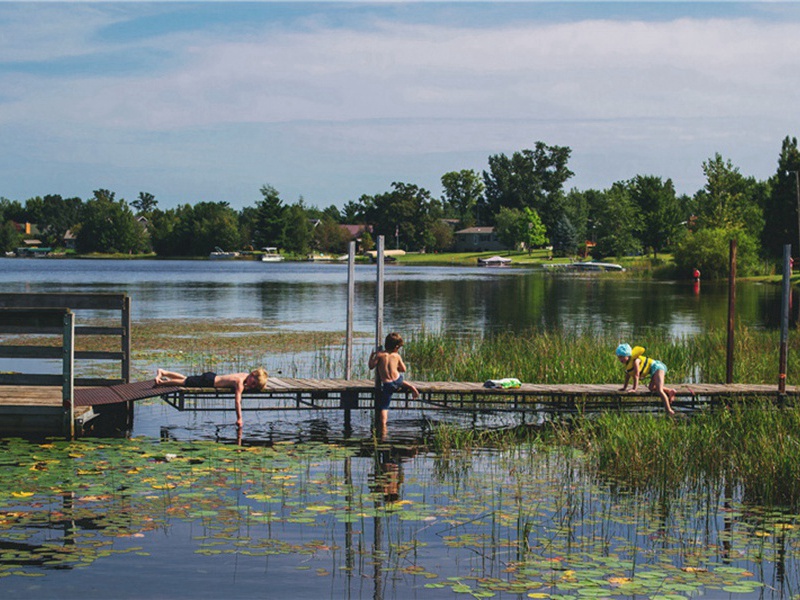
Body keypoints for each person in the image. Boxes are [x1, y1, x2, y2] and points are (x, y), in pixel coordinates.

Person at [155, 368, 268, 427]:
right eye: (253, 383)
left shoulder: (244, 375)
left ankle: (164, 372)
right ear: (252, 374)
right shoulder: (239, 382)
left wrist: (256, 385)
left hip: (212, 377)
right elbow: (238, 401)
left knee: (187, 379)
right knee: (184, 383)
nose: (252, 386)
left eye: (255, 386)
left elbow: (248, 383)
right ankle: (161, 382)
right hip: (208, 382)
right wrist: (239, 418)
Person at [368, 332, 419, 434]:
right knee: (399, 380)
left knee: (384, 407)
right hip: (397, 381)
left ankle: (383, 426)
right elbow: (403, 369)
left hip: (388, 384)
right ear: (396, 347)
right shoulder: (397, 356)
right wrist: (395, 367)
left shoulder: (380, 355)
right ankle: (411, 387)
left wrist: (371, 357)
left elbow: (371, 366)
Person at [615, 343, 676, 415]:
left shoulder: (635, 361)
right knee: (651, 388)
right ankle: (670, 391)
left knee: (659, 390)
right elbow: (627, 376)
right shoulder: (627, 364)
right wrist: (624, 387)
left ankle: (669, 410)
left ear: (628, 355)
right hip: (653, 370)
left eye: (622, 357)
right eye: (619, 357)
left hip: (658, 368)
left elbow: (636, 375)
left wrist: (634, 388)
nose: (620, 359)